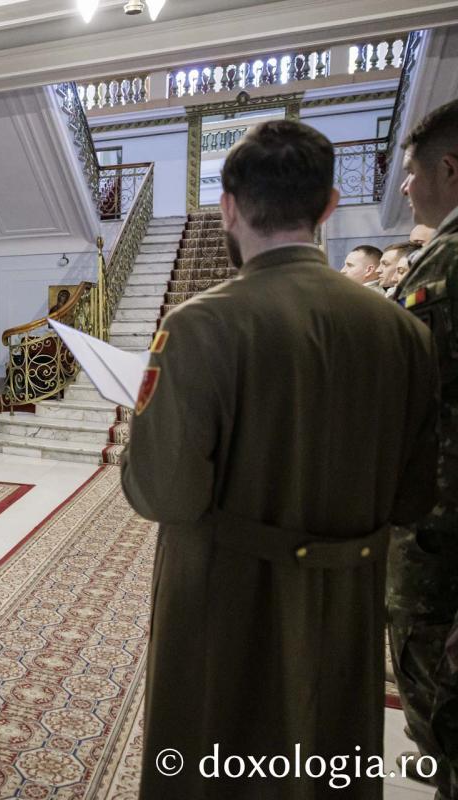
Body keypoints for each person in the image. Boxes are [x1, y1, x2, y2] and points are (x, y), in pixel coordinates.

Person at [122, 119, 439, 799]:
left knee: (213, 759)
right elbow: (415, 497)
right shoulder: (404, 332)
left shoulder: (199, 324)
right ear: (328, 206)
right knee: (328, 754)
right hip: (346, 602)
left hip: (224, 598)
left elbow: (164, 493)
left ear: (227, 207)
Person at [392, 98, 458, 795]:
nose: (406, 187)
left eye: (412, 173)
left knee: (443, 697)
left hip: (443, 537)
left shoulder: (450, 260)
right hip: (436, 524)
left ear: (449, 169)